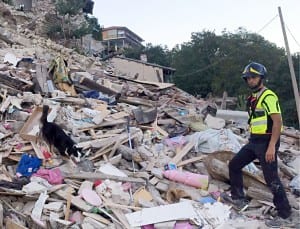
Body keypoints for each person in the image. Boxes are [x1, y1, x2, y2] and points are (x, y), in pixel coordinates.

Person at [226, 62, 292, 228]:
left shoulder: (268, 96)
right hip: (254, 141)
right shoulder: (253, 98)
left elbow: (277, 123)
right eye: (247, 78)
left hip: (266, 142)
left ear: (261, 78)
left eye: (253, 77)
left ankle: (285, 214)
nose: (250, 80)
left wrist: (271, 146)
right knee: (234, 165)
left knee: (272, 179)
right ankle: (238, 198)